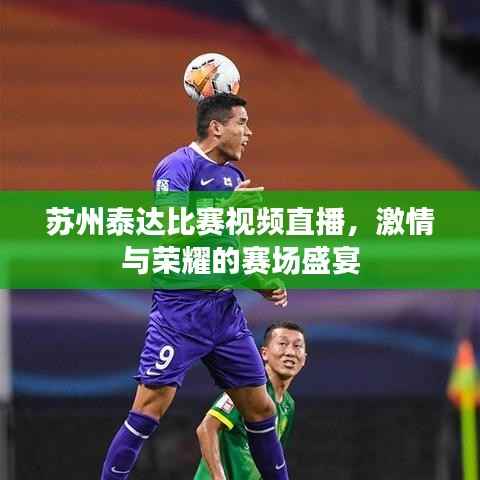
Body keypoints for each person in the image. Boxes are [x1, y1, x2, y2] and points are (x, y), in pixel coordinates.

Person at [101, 94, 290, 480]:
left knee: (261, 409)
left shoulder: (233, 178)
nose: (249, 132)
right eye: (242, 123)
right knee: (148, 409)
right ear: (216, 128)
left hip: (224, 313)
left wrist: (259, 283)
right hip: (180, 312)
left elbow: (224, 250)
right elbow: (168, 235)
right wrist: (227, 209)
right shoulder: (177, 166)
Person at [194, 321, 307, 480]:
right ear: (264, 353)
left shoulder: (289, 405)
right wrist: (219, 477)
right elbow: (206, 428)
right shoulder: (248, 389)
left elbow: (271, 459)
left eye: (297, 346)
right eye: (282, 344)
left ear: (304, 359)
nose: (290, 352)